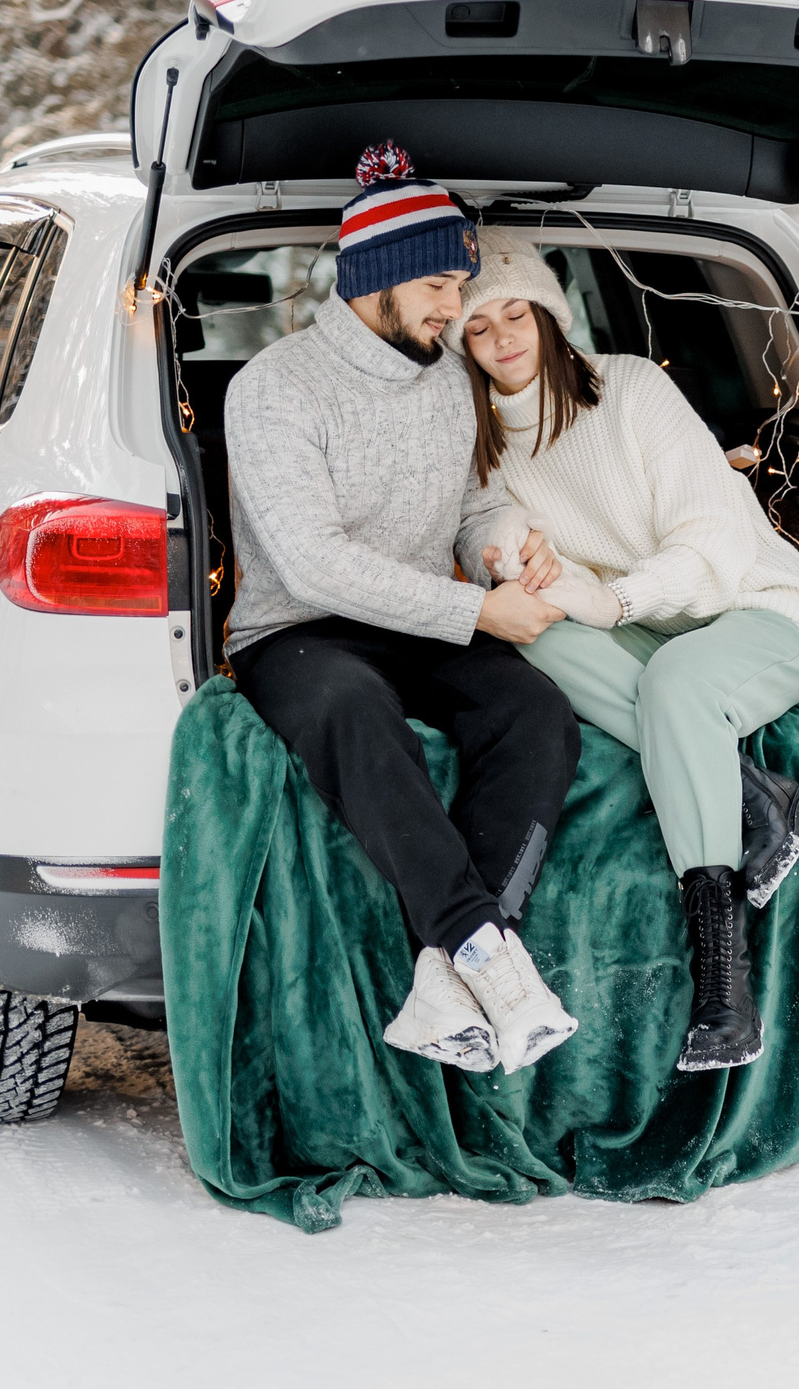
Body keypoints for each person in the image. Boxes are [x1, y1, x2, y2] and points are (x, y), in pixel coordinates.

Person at [223, 142, 582, 1076]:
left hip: (419, 623)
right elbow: (309, 562)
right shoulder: (274, 388)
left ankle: (445, 976)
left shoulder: (439, 383)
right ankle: (484, 950)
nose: (452, 309)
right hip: (295, 633)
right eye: (434, 283)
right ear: (371, 277)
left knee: (534, 709)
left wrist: (505, 544)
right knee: (353, 708)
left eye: (457, 285)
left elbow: (468, 510)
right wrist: (474, 616)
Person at [448, 247, 799, 1073]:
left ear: (550, 315)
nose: (502, 338)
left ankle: (724, 990)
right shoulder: (476, 440)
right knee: (532, 631)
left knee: (678, 683)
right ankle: (754, 798)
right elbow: (486, 525)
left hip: (755, 606)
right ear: (462, 345)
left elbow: (712, 549)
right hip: (639, 627)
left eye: (516, 314)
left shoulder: (630, 387)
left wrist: (611, 600)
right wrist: (516, 559)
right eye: (477, 326)